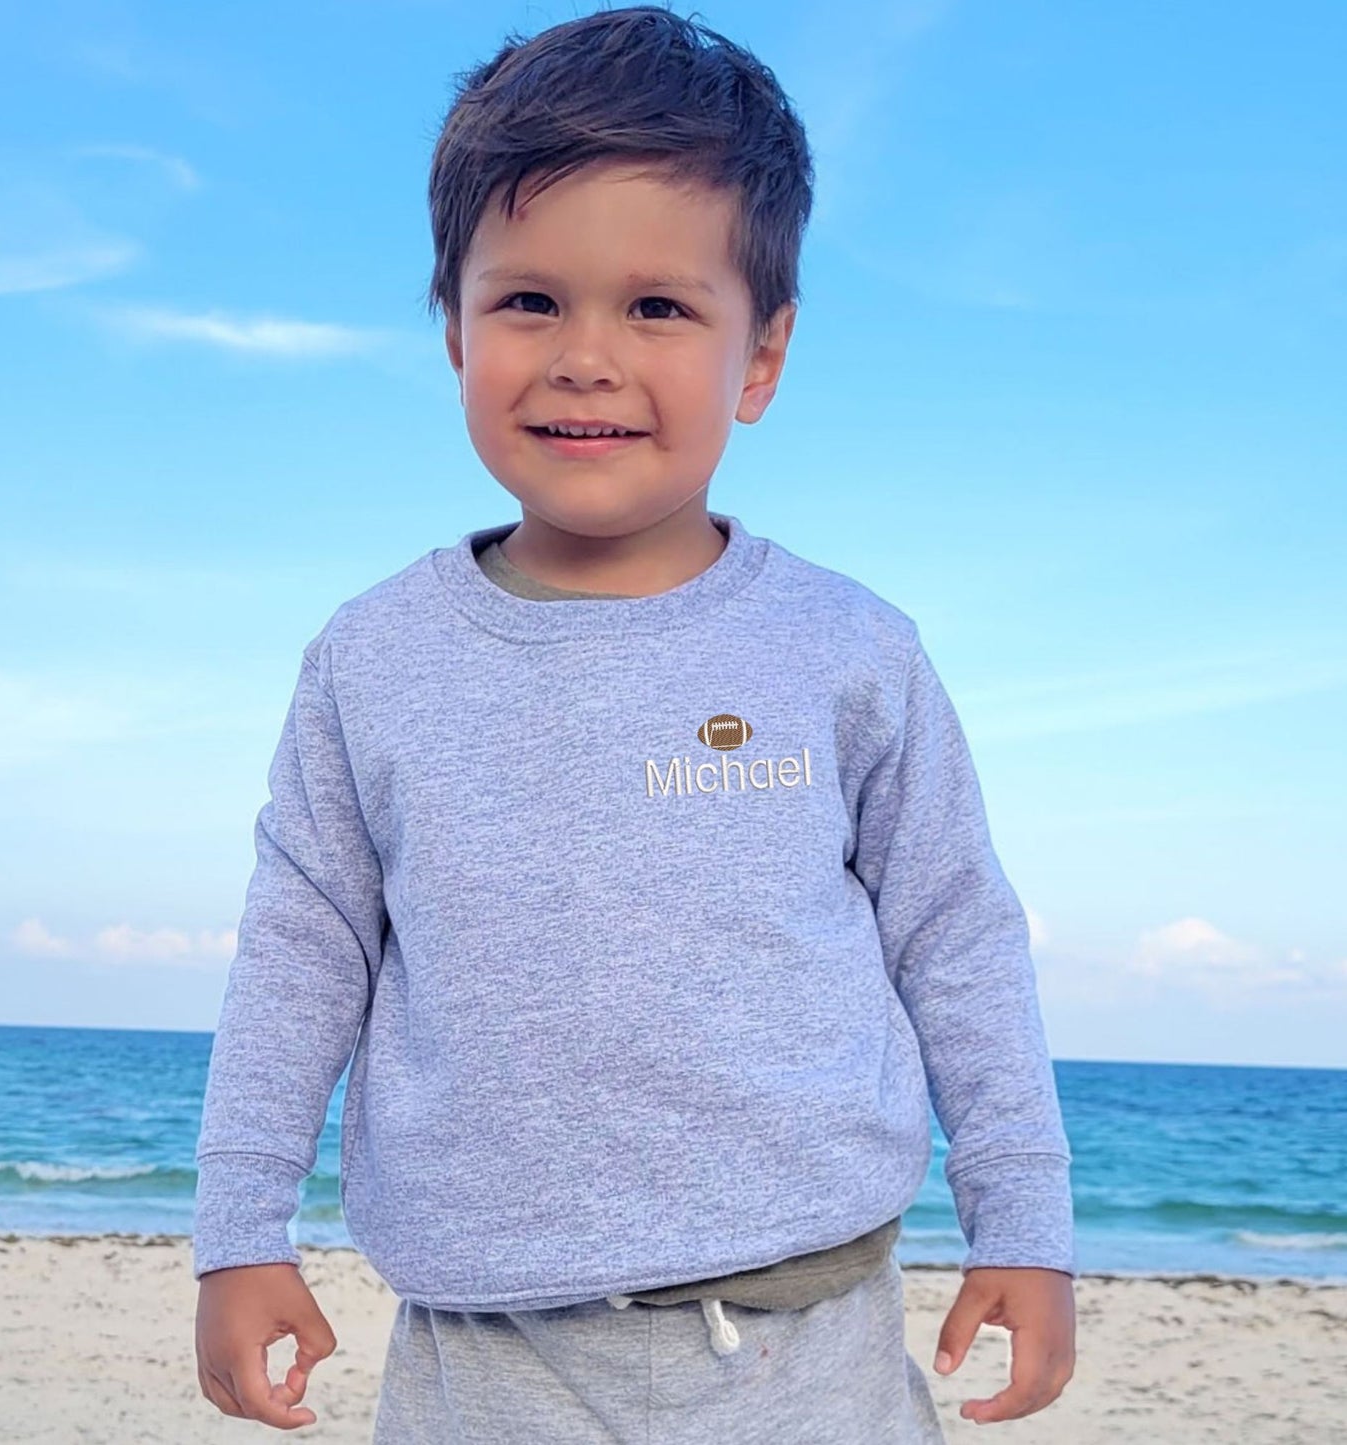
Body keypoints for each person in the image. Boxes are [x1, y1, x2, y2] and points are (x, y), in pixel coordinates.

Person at [191, 6, 1077, 1440]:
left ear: (760, 356)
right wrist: (239, 1226)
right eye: (528, 301)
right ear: (453, 327)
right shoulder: (371, 658)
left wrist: (1022, 1220)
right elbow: (302, 949)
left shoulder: (848, 648)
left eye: (656, 306)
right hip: (486, 1357)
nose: (583, 357)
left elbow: (954, 934)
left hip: (808, 1344)